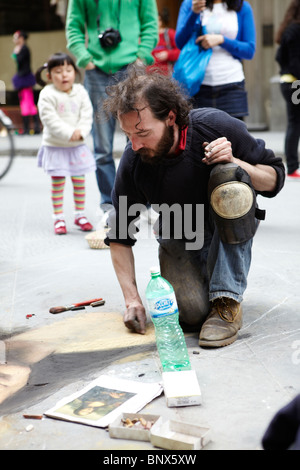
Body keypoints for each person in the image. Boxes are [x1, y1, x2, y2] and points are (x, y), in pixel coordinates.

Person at [102, 64, 285, 348]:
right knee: (192, 316)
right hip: (182, 229)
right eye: (128, 136)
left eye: (143, 133)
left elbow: (274, 178)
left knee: (228, 175)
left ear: (171, 118)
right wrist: (132, 300)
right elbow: (119, 236)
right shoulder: (134, 161)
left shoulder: (215, 126)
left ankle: (227, 301)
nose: (135, 145)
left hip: (227, 223)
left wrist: (236, 161)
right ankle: (209, 296)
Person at [65, 0, 158, 225]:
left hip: (131, 68)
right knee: (102, 147)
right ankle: (108, 203)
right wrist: (84, 58)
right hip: (95, 72)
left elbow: (150, 23)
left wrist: (142, 56)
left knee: (141, 139)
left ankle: (143, 201)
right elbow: (73, 27)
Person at [35, 52, 95, 235]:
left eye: (68, 70)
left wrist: (82, 132)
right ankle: (58, 217)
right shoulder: (47, 94)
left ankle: (80, 214)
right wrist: (70, 133)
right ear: (49, 75)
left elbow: (87, 114)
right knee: (58, 182)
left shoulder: (81, 91)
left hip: (76, 146)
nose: (64, 75)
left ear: (75, 73)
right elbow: (50, 120)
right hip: (56, 146)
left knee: (79, 181)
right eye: (58, 71)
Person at [175, 0, 256, 119]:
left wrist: (222, 40)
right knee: (200, 135)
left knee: (233, 136)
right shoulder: (190, 4)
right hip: (198, 85)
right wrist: (193, 13)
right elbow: (180, 42)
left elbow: (249, 50)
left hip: (231, 85)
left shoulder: (241, 6)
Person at [275, 0, 300, 179]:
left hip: (290, 82)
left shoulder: (289, 28)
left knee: (295, 122)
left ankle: (292, 167)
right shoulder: (295, 30)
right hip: (295, 84)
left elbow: (279, 56)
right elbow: (294, 62)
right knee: (295, 123)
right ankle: (291, 167)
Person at [11, 30, 40, 135]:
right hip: (22, 78)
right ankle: (28, 128)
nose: (14, 40)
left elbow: (21, 62)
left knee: (28, 104)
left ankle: (33, 127)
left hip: (25, 78)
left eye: (16, 37)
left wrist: (17, 53)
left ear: (21, 38)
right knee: (25, 103)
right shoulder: (20, 49)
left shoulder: (24, 49)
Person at [149, 8, 180, 76]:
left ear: (160, 21)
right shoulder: (146, 37)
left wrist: (168, 54)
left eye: (156, 20)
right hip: (149, 76)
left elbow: (180, 51)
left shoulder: (169, 34)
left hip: (167, 75)